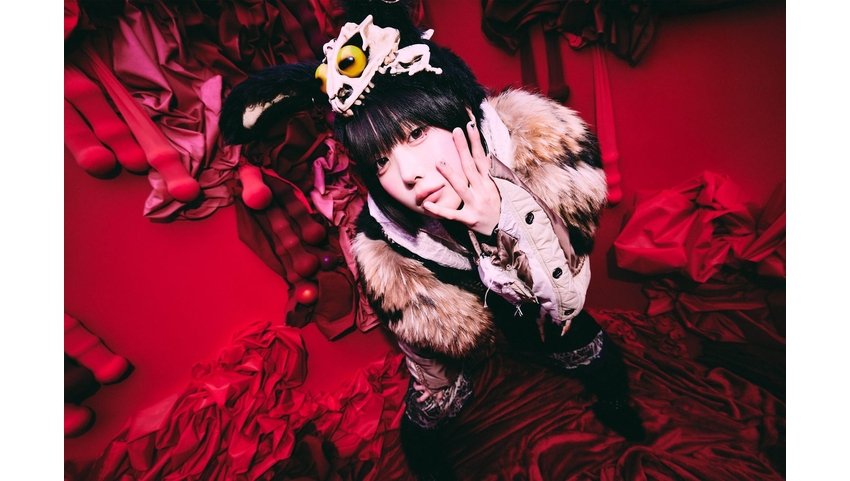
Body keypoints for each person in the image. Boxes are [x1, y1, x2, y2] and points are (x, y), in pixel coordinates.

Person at [220, 2, 645, 479]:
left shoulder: (536, 152)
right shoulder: (389, 242)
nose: (407, 174)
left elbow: (566, 300)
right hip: (451, 299)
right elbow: (422, 343)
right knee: (431, 407)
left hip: (537, 290)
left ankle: (614, 402)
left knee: (589, 350)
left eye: (418, 133)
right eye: (380, 160)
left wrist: (502, 220)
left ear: (461, 110)